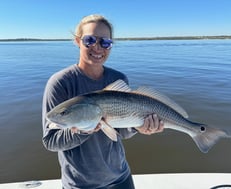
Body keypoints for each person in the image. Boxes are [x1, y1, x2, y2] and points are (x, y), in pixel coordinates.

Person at [42, 14, 164, 189]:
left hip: (120, 178)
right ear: (77, 41)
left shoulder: (118, 78)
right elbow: (51, 141)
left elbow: (121, 132)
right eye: (90, 40)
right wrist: (83, 130)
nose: (98, 48)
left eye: (105, 42)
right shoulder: (60, 83)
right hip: (80, 184)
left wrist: (140, 126)